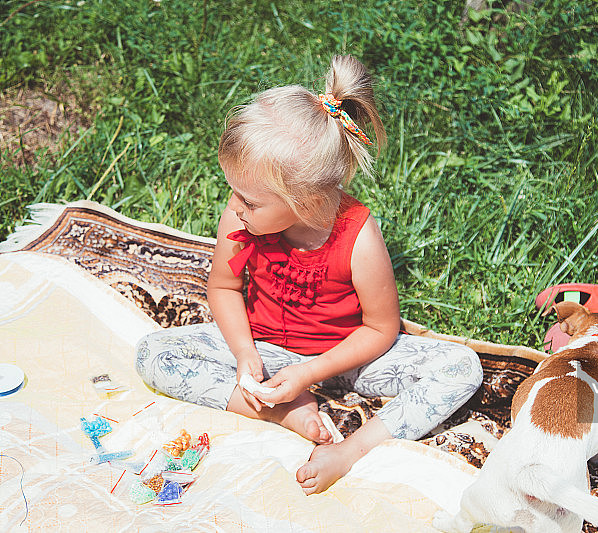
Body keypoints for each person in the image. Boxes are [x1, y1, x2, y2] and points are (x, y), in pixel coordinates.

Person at [135, 55, 483, 495]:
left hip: (347, 362)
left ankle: (351, 450)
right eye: (234, 193)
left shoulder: (358, 237)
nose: (235, 208)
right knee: (153, 353)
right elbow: (223, 286)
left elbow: (380, 328)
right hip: (266, 352)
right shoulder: (243, 216)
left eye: (249, 201)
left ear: (302, 200)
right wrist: (245, 355)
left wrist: (309, 373)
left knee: (460, 367)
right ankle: (283, 413)